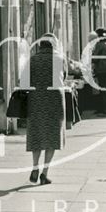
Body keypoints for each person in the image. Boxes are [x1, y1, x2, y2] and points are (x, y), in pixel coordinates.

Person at [26, 33, 65, 185]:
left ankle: (35, 167)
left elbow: (25, 79)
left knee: (37, 134)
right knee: (52, 136)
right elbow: (64, 76)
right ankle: (44, 173)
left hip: (36, 100)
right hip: (54, 100)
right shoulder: (59, 59)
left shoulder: (33, 59)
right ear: (53, 45)